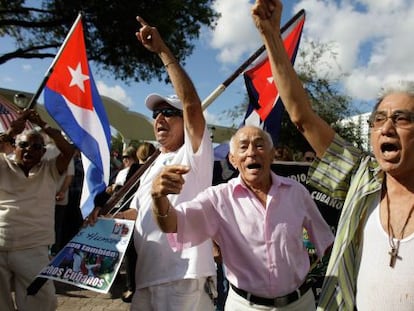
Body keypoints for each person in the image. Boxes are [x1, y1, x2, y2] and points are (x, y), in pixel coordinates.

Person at [253, 1, 414, 310]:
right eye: (378, 119)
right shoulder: (361, 176)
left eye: (402, 118)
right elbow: (302, 117)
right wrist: (272, 36)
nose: (387, 128)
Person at [86, 16, 216, 310]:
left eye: (169, 112)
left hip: (182, 279)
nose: (159, 117)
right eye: (156, 113)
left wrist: (162, 52)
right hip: (145, 278)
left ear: (185, 122)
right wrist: (105, 222)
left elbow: (192, 106)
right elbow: (140, 212)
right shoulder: (152, 164)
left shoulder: (194, 154)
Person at [151, 125, 334, 311]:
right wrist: (159, 198)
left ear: (272, 155)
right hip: (245, 306)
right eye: (243, 147)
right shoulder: (217, 198)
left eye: (259, 145)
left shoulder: (296, 192)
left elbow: (327, 244)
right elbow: (172, 224)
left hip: (300, 304)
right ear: (233, 159)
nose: (252, 152)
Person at [0, 109, 75, 311]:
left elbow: (68, 151)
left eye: (36, 147)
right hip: (1, 242)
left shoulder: (50, 169)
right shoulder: (3, 164)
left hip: (33, 248)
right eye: (23, 144)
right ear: (13, 146)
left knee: (41, 302)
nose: (29, 150)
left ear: (43, 152)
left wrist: (43, 124)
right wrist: (10, 132)